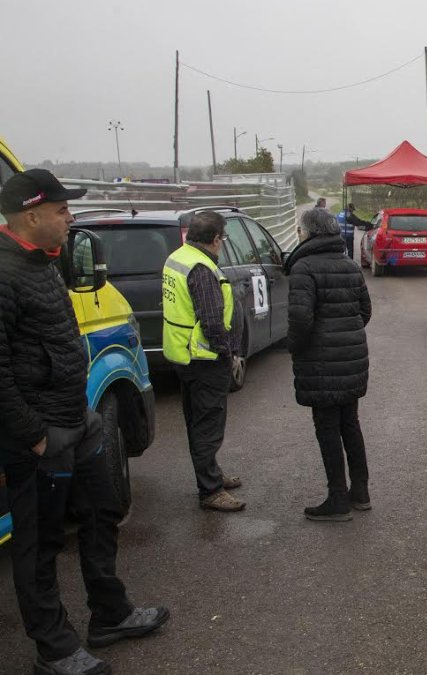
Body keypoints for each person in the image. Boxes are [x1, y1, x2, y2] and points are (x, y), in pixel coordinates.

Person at [1, 169, 169, 675]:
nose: (69, 218)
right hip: (39, 436)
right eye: (61, 210)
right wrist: (33, 435)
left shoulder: (44, 263)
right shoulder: (5, 274)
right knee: (40, 545)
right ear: (31, 215)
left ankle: (110, 614)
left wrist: (81, 416)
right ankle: (53, 648)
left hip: (79, 418)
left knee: (102, 513)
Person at [285, 208, 373, 521]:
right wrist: (345, 333)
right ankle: (360, 491)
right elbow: (365, 311)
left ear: (308, 233)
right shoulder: (348, 264)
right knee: (350, 422)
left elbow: (300, 319)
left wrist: (293, 347)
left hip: (321, 362)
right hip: (351, 358)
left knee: (327, 428)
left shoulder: (303, 268)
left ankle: (337, 499)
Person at [161, 210, 245, 512]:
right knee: (208, 424)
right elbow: (212, 322)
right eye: (222, 238)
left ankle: (212, 474)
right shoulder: (201, 268)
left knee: (198, 419)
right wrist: (229, 353)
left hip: (183, 355)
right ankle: (210, 490)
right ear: (214, 239)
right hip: (205, 358)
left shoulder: (178, 258)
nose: (222, 243)